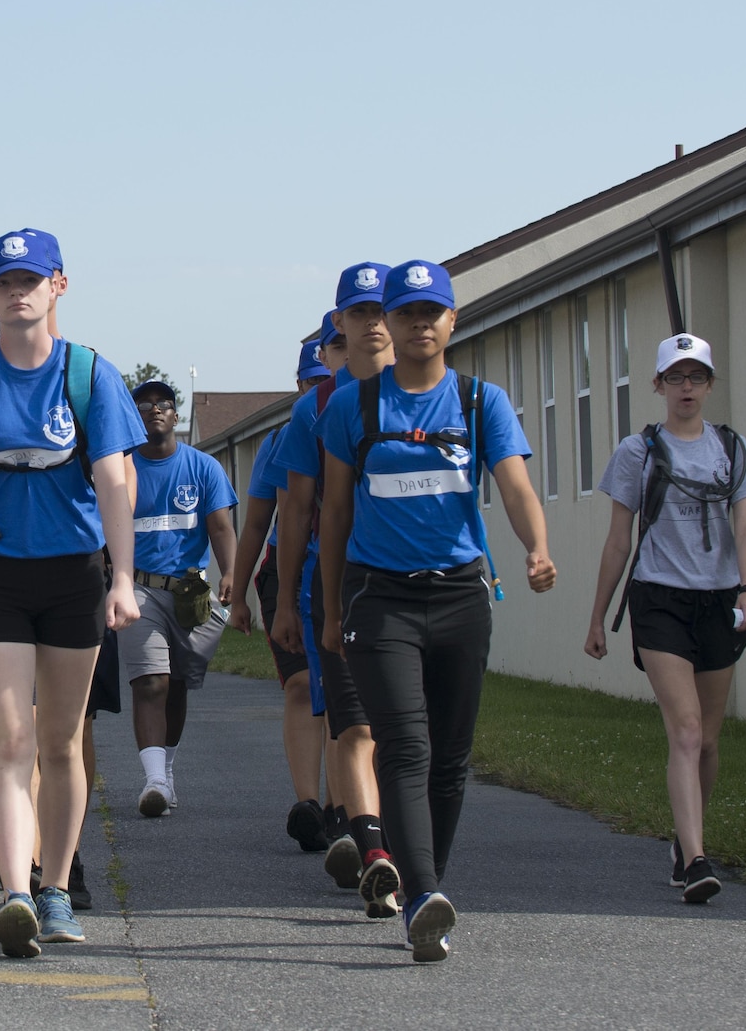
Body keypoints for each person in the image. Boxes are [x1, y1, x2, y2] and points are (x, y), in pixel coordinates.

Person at [317, 259, 556, 962]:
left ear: (453, 320)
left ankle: (428, 886)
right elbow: (333, 512)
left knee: (450, 757)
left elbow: (513, 485)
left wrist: (536, 547)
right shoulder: (352, 407)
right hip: (378, 595)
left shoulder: (482, 402)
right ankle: (420, 893)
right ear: (385, 323)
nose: (420, 323)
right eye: (407, 311)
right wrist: (329, 608)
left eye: (433, 312)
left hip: (459, 595)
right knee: (406, 744)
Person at [0, 229, 144, 957]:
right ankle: (17, 893)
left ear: (59, 285)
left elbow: (115, 480)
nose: (17, 291)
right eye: (3, 281)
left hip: (73, 573)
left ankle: (56, 888)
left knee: (60, 741)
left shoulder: (89, 375)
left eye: (31, 278)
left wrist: (121, 576)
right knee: (11, 738)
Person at [584, 332, 746, 904]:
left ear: (710, 385)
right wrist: (596, 618)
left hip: (718, 601)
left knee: (709, 740)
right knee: (685, 730)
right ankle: (695, 860)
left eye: (696, 377)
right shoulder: (637, 452)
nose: (686, 387)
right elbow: (618, 540)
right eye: (676, 377)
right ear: (658, 385)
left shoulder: (732, 450)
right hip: (658, 597)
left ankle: (686, 842)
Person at [271, 266, 395, 908]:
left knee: (409, 734)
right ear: (335, 327)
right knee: (355, 728)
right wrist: (285, 598)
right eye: (356, 317)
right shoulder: (316, 408)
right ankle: (365, 838)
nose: (371, 327)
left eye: (383, 312)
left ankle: (387, 838)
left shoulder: (436, 395)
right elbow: (293, 509)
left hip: (419, 584)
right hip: (339, 581)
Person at [223, 338, 333, 850]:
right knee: (301, 684)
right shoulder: (280, 441)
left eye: (324, 380)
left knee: (344, 693)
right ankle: (309, 802)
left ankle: (347, 805)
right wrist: (239, 590)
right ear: (299, 387)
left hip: (349, 571)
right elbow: (256, 524)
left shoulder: (360, 425)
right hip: (285, 572)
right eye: (310, 383)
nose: (319, 390)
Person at [122, 378, 238, 817]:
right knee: (150, 681)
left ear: (175, 415)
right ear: (134, 415)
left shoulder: (203, 468)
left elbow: (222, 528)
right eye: (145, 404)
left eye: (163, 404)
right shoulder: (122, 469)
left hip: (190, 593)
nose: (155, 410)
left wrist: (231, 574)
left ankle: (166, 772)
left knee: (177, 686)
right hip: (138, 589)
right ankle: (152, 781)